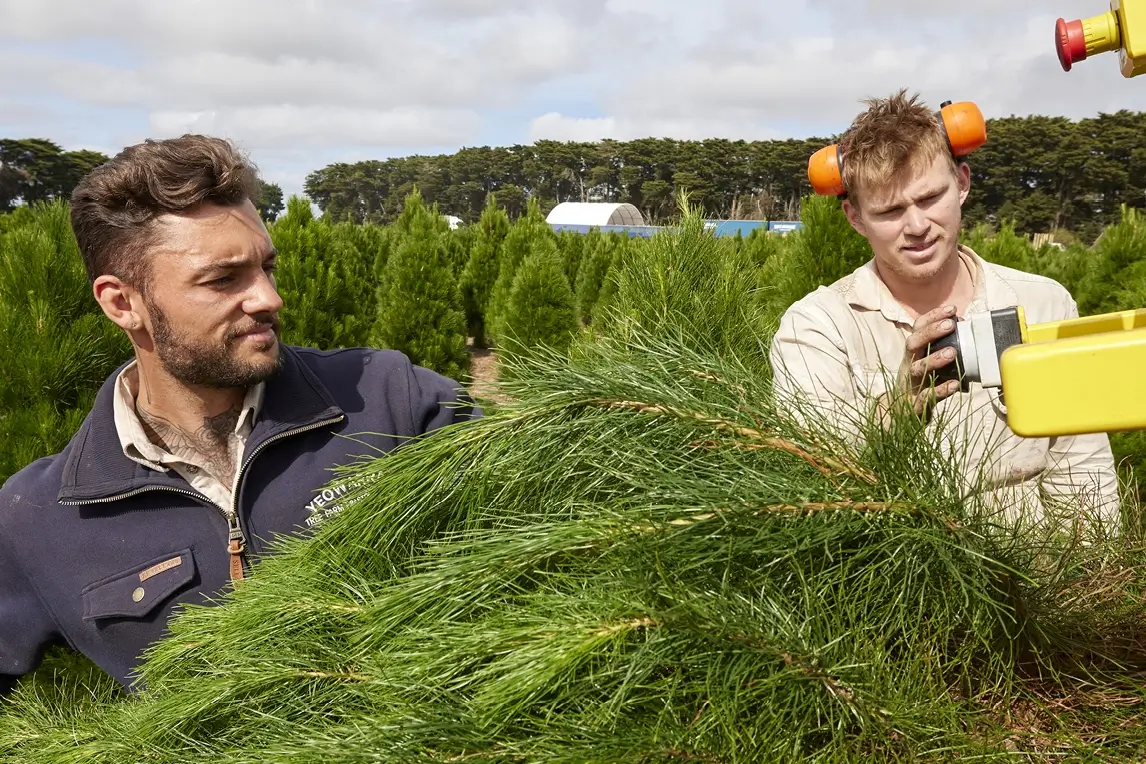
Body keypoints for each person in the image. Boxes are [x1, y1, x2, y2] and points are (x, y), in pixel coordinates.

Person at [0, 135, 479, 694]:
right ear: (121, 303)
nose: (268, 299)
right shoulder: (40, 517)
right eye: (223, 279)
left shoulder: (392, 400)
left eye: (266, 268)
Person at [769, 89, 1120, 531]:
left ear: (963, 183)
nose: (917, 226)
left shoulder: (1044, 303)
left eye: (930, 197)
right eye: (890, 211)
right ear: (855, 218)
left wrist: (1093, 585)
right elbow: (808, 479)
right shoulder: (817, 327)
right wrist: (894, 409)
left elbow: (1084, 471)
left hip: (1040, 582)